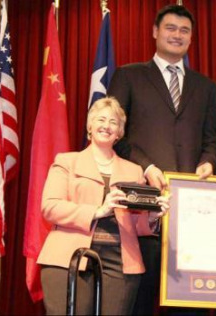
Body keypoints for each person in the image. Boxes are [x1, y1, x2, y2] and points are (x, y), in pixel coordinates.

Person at [107, 4, 216, 314]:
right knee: (138, 301)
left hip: (191, 213)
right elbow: (117, 134)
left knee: (189, 305)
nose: (177, 35)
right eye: (170, 28)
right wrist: (148, 167)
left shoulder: (206, 86)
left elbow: (211, 139)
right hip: (141, 208)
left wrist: (209, 161)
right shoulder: (129, 76)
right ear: (155, 32)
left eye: (184, 31)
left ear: (191, 38)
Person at [37, 97, 169, 315]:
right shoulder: (67, 162)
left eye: (113, 122)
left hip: (121, 263)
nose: (106, 126)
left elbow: (135, 224)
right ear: (90, 126)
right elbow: (50, 207)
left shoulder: (134, 171)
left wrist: (154, 217)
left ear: (120, 133)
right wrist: (97, 211)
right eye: (101, 119)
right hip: (68, 258)